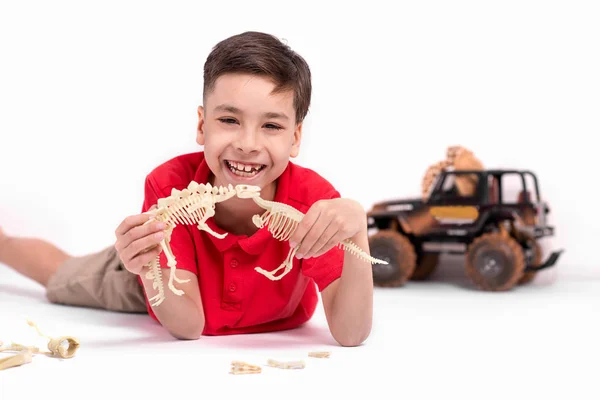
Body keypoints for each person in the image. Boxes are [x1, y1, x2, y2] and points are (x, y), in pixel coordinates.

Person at [0, 31, 373, 346]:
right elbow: (188, 325)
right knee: (61, 276)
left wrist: (357, 227)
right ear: (202, 125)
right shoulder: (169, 187)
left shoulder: (316, 203)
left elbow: (352, 334)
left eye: (271, 127)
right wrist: (147, 270)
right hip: (155, 279)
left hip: (261, 309)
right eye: (229, 120)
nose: (247, 143)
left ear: (295, 138)